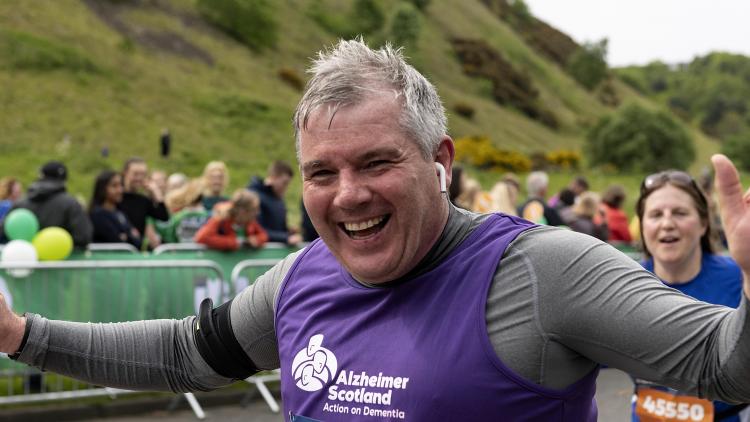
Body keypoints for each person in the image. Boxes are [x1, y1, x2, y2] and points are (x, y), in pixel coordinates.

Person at [4, 39, 750, 421]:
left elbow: (725, 364)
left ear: (439, 162)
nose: (348, 195)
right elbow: (183, 354)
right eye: (322, 173)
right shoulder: (301, 279)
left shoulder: (544, 271)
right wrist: (19, 335)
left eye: (376, 162)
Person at [631, 170, 745, 421]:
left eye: (680, 213)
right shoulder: (624, 283)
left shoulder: (740, 277)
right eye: (655, 215)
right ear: (642, 225)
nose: (667, 223)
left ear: (704, 223)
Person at [4, 161, 92, 247]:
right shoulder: (71, 203)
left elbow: (4, 232)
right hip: (61, 259)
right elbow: (83, 236)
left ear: (40, 176)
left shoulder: (20, 203)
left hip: (23, 259)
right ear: (64, 180)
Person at [247, 160, 302, 245]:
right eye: (284, 183)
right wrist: (286, 238)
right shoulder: (253, 197)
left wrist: (289, 232)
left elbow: (278, 228)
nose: (286, 188)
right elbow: (257, 230)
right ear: (273, 177)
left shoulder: (279, 200)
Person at [118, 158, 169, 247]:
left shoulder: (143, 200)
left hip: (135, 252)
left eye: (143, 174)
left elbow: (163, 216)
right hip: (116, 250)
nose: (139, 178)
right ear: (125, 173)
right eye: (135, 174)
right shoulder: (116, 197)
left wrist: (156, 191)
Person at [194, 189, 268, 251]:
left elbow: (264, 235)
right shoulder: (221, 218)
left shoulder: (249, 221)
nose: (257, 213)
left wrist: (256, 240)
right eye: (254, 210)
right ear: (242, 211)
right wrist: (232, 243)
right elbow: (201, 237)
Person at [88, 170, 142, 249]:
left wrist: (127, 237)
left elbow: (137, 240)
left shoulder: (120, 213)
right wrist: (129, 236)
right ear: (103, 189)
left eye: (121, 185)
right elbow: (116, 241)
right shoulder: (97, 215)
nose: (120, 190)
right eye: (114, 186)